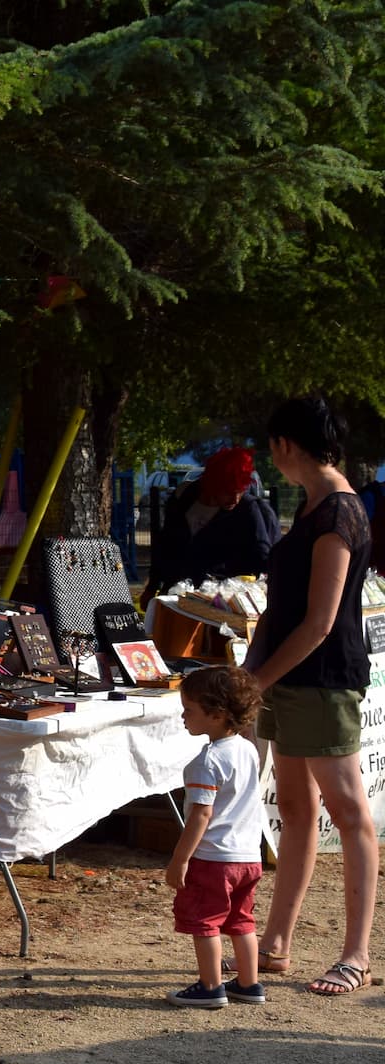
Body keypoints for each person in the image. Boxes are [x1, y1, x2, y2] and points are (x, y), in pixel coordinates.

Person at [245, 396, 376, 997]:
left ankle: (357, 954)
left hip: (322, 680)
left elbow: (321, 622)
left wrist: (258, 680)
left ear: (285, 446)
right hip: (290, 678)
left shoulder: (339, 513)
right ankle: (276, 943)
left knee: (348, 815)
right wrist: (252, 672)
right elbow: (284, 607)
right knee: (295, 811)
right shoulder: (312, 506)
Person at [165, 667, 265, 1009]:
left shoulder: (206, 762)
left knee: (204, 921)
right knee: (241, 919)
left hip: (213, 858)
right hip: (248, 856)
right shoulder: (247, 749)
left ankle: (210, 986)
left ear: (217, 714)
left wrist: (180, 859)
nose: (183, 715)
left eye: (189, 709)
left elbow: (201, 815)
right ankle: (249, 983)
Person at [140, 447, 280, 608]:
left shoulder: (248, 509)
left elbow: (263, 557)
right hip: (176, 592)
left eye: (240, 492)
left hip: (218, 601)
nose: (235, 499)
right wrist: (152, 587)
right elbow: (165, 546)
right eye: (228, 492)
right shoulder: (184, 497)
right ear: (213, 484)